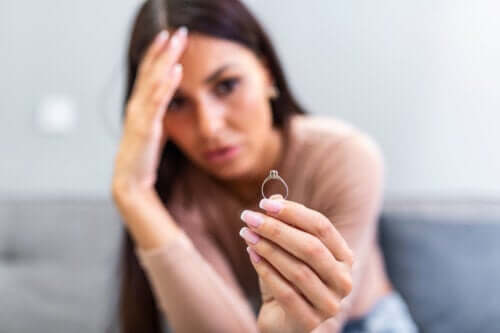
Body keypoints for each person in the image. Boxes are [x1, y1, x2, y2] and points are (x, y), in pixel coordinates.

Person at [111, 0, 419, 332]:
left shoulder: (343, 155)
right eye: (176, 102)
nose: (209, 127)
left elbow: (325, 320)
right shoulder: (178, 196)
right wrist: (133, 193)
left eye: (226, 85)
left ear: (266, 72)